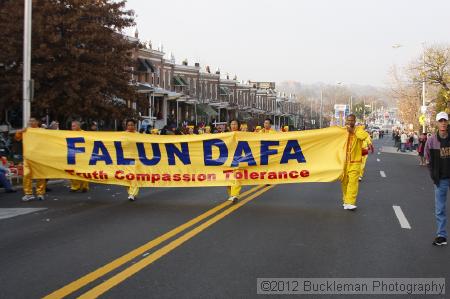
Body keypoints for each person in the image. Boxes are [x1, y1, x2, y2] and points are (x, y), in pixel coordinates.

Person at [425, 111, 449, 246]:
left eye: (445, 120)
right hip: (441, 179)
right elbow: (427, 158)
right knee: (440, 209)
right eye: (441, 121)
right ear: (437, 123)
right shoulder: (431, 140)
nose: (443, 123)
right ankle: (441, 235)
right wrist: (433, 174)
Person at [341, 114, 369, 211]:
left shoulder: (358, 130)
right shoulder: (342, 130)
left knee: (353, 182)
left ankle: (350, 202)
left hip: (355, 162)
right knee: (345, 182)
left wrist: (352, 131)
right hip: (344, 162)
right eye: (348, 120)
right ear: (346, 120)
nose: (350, 122)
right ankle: (345, 201)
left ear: (355, 121)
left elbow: (364, 136)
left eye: (352, 120)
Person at [15, 117, 47, 201]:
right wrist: (21, 131)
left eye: (33, 120)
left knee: (40, 176)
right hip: (28, 158)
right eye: (30, 121)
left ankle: (40, 193)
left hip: (39, 157)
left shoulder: (42, 131)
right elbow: (17, 138)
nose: (31, 122)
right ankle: (28, 193)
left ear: (37, 122)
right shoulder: (26, 131)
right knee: (26, 175)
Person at [69, 120, 89, 193]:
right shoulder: (69, 134)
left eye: (74, 126)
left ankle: (85, 186)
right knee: (72, 171)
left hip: (82, 155)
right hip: (73, 155)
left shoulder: (84, 133)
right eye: (72, 126)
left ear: (78, 126)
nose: (72, 127)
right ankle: (75, 186)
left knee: (83, 171)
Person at [226, 120, 241, 204]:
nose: (233, 125)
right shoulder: (226, 136)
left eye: (235, 124)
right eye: (232, 124)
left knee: (237, 176)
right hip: (228, 160)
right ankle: (232, 195)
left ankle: (235, 195)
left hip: (239, 160)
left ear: (238, 125)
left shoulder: (243, 135)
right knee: (228, 178)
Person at [125, 119, 139, 201]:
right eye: (128, 125)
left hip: (136, 158)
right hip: (124, 158)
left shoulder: (139, 135)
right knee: (127, 177)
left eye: (132, 125)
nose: (130, 126)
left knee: (134, 176)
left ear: (135, 126)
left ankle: (132, 194)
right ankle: (130, 192)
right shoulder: (122, 135)